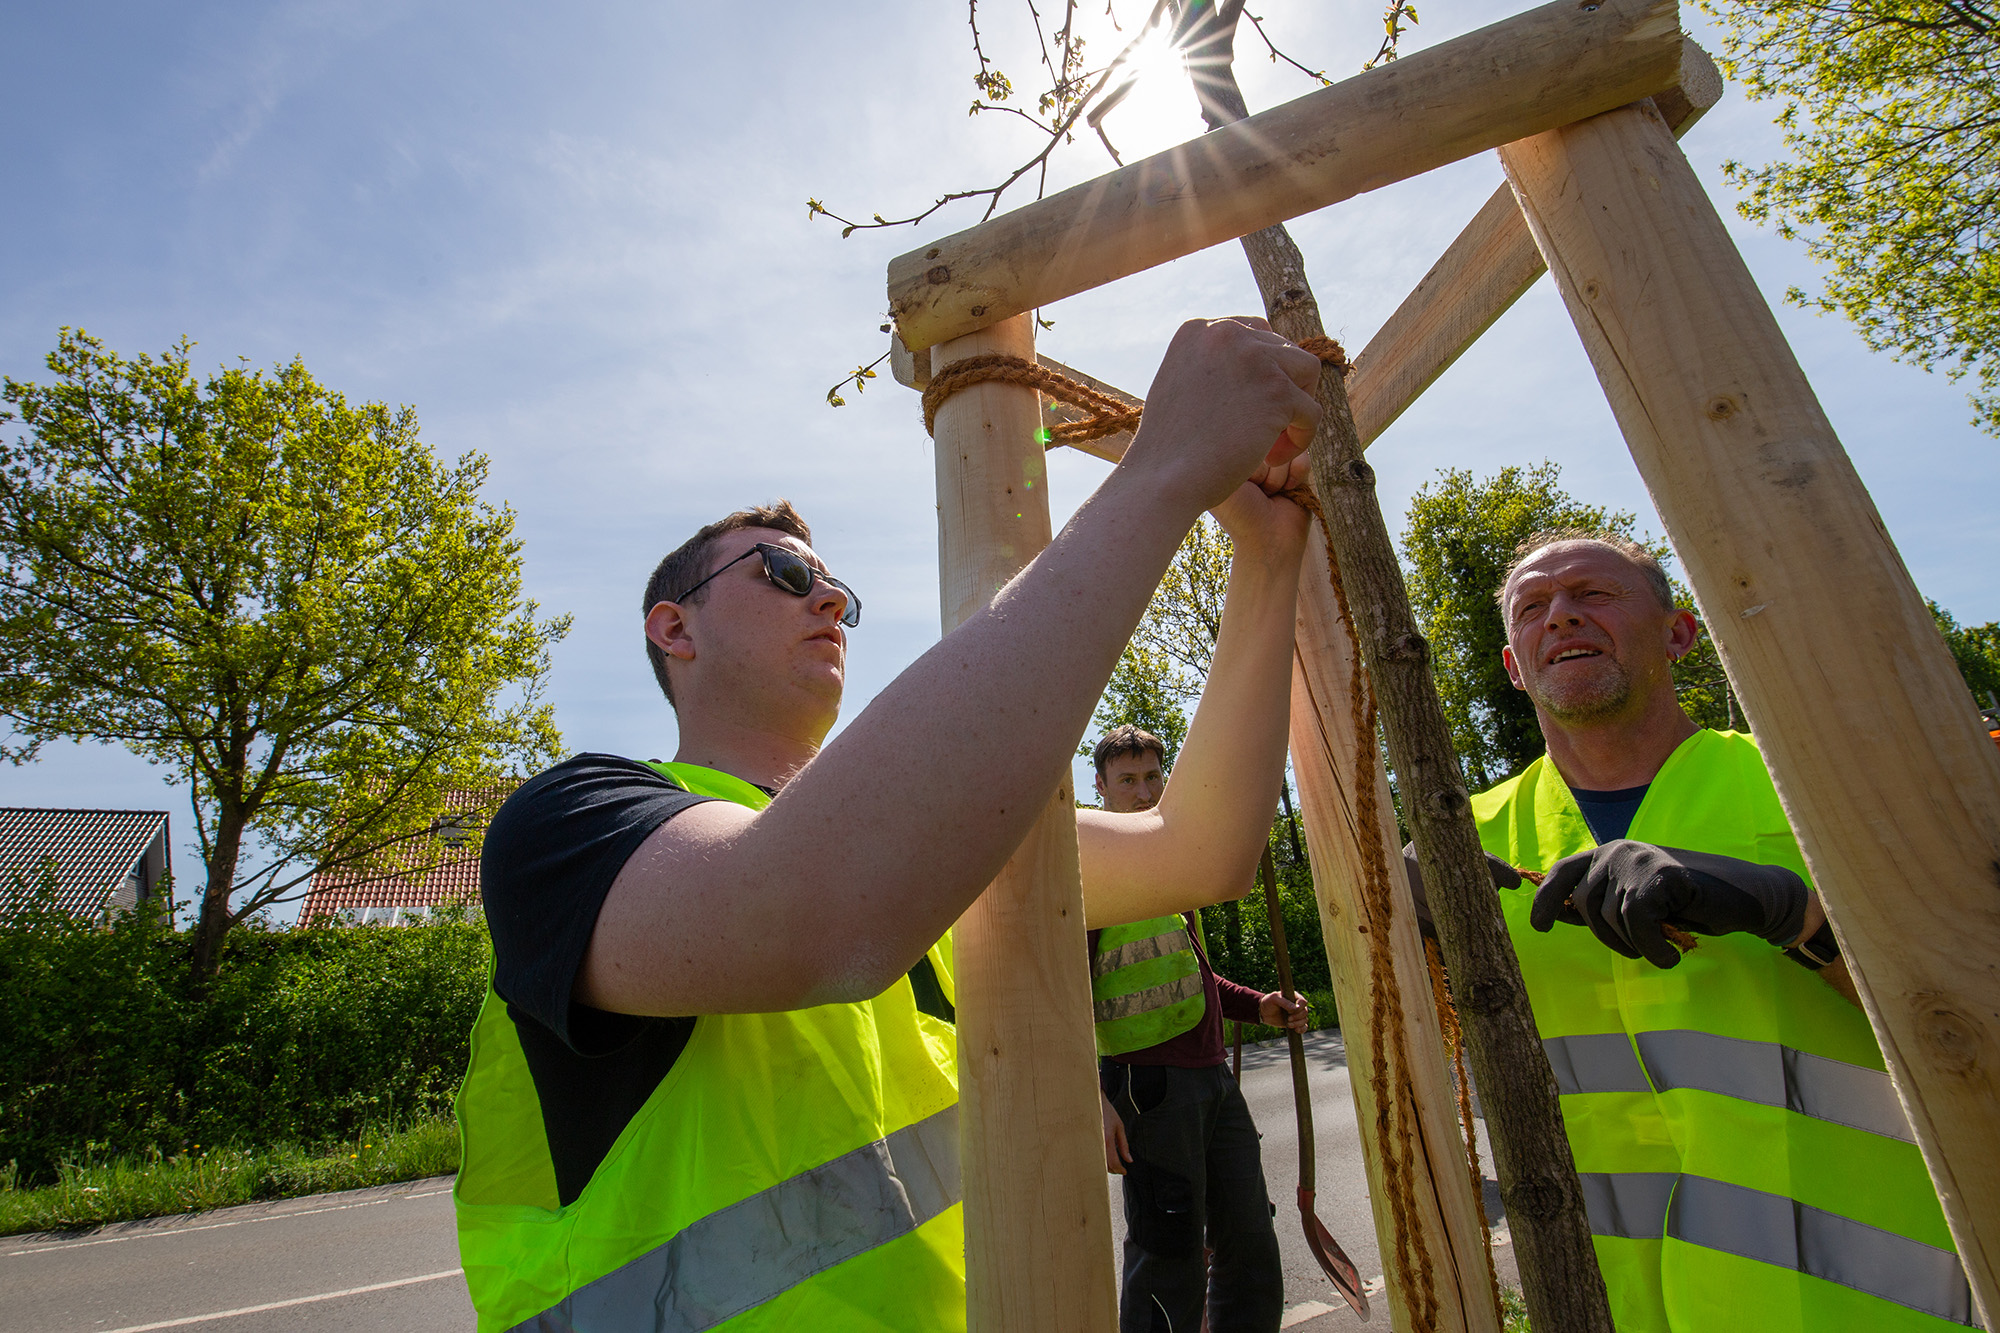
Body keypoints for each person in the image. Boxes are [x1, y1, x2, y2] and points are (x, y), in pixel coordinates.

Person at [452, 317, 1323, 1332]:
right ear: (672, 627)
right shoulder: (573, 821)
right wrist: (1163, 470)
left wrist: (1264, 563)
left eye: (838, 590)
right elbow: (818, 914)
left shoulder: (917, 838)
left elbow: (1200, 846)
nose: (825, 596)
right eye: (782, 574)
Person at [1458, 529, 1973, 1330]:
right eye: (1534, 607)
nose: (1560, 616)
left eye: (1593, 595)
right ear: (1513, 665)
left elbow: (1968, 1014)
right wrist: (1388, 913)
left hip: (1860, 1304)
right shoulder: (1470, 840)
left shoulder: (1809, 787)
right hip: (1616, 1306)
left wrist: (1795, 913)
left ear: (1680, 633)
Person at [1087, 724, 1307, 1333]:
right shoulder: (1093, 872)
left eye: (1153, 777)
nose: (1142, 791)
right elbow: (1062, 1002)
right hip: (1148, 1091)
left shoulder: (1172, 866)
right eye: (1126, 780)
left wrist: (1258, 1004)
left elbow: (1195, 975)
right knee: (1169, 1254)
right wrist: (1094, 1098)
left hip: (1213, 1080)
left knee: (1249, 1242)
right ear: (1100, 786)